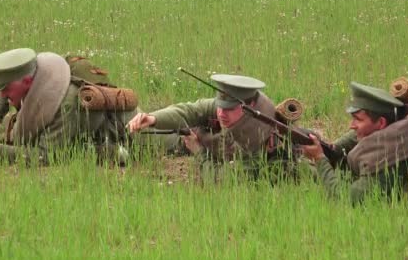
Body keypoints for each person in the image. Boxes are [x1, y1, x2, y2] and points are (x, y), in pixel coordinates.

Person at [302, 81, 408, 204]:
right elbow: (356, 140)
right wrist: (329, 148)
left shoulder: (395, 152)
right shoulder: (404, 127)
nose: (351, 125)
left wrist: (319, 159)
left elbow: (345, 199)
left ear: (381, 123)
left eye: (358, 120)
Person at [0, 48, 143, 165]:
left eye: (7, 90)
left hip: (134, 131)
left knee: (165, 140)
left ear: (26, 82)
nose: (3, 95)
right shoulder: (33, 75)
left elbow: (46, 155)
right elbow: (3, 85)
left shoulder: (64, 104)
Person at [127, 74, 299, 181]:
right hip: (200, 140)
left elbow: (220, 178)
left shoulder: (254, 139)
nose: (221, 113)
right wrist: (153, 118)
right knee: (141, 128)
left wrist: (198, 151)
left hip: (198, 146)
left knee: (141, 140)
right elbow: (191, 110)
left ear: (249, 107)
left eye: (229, 109)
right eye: (220, 106)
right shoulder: (235, 107)